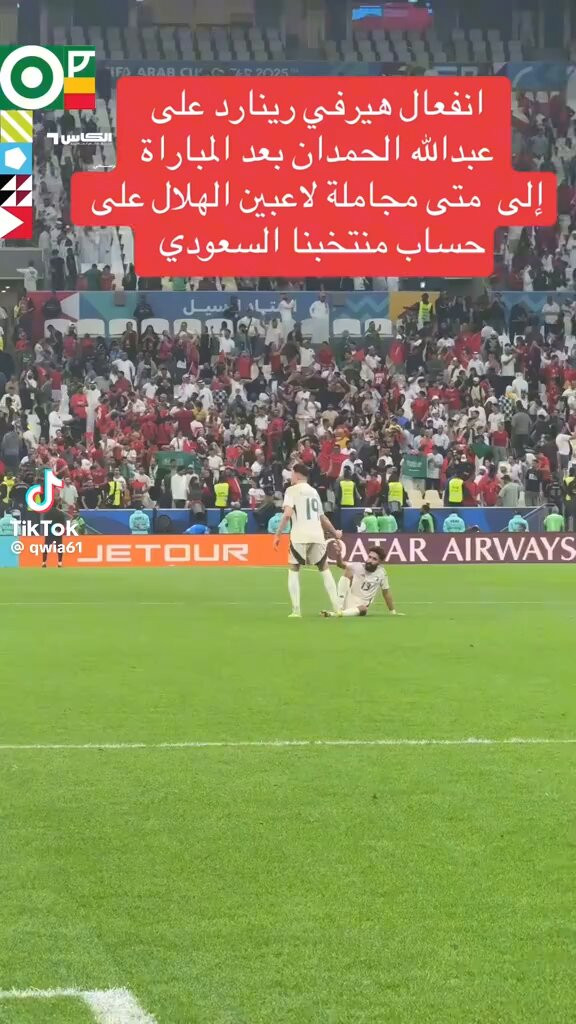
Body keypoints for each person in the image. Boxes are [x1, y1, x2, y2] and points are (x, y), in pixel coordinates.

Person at [273, 462, 341, 618]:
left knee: (294, 568)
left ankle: (296, 610)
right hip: (317, 535)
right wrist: (334, 533)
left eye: (292, 473)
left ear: (297, 474)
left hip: (299, 535)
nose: (290, 476)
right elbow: (323, 518)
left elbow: (287, 514)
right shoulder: (314, 492)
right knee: (324, 569)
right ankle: (337, 608)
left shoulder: (291, 490)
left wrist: (277, 535)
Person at [320, 545, 403, 618]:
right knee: (348, 570)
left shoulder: (382, 573)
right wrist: (338, 554)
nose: (370, 560)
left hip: (360, 606)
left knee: (364, 609)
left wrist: (393, 612)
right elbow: (340, 564)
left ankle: (336, 613)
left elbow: (386, 593)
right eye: (369, 557)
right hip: (347, 598)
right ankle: (339, 607)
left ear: (379, 562)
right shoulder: (358, 566)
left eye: (374, 559)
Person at [41, 501, 68, 568]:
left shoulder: (46, 513)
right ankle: (60, 563)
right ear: (57, 505)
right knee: (59, 547)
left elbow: (44, 522)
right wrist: (58, 530)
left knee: (46, 547)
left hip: (49, 532)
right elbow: (63, 523)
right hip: (57, 532)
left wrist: (47, 530)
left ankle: (44, 562)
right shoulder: (60, 513)